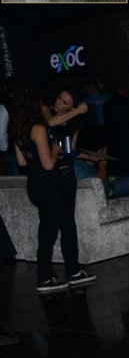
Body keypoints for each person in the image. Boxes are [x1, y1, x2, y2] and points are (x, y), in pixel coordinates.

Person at [9, 88, 95, 293]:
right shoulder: (39, 127)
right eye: (41, 103)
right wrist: (54, 150)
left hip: (35, 184)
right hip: (49, 183)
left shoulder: (18, 130)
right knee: (55, 230)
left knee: (51, 228)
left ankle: (53, 274)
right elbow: (48, 164)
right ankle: (50, 276)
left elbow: (22, 162)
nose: (46, 105)